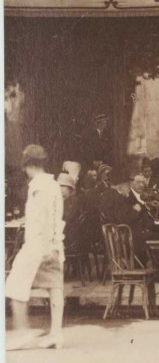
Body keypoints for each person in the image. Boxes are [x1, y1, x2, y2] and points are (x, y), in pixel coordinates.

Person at [6, 145, 65, 350]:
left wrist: (46, 244)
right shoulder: (54, 184)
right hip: (53, 243)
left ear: (29, 164)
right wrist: (54, 244)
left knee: (14, 285)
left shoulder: (38, 185)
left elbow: (44, 216)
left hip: (37, 244)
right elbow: (55, 215)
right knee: (54, 286)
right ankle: (56, 334)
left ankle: (22, 332)